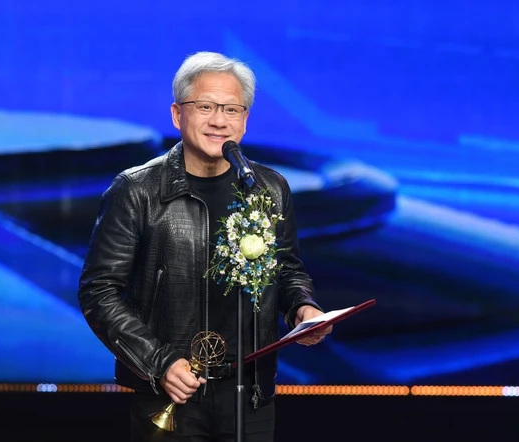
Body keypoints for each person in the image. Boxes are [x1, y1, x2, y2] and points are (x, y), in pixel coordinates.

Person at [77, 51, 331, 442]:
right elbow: (99, 291)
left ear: (245, 119)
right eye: (205, 107)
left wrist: (302, 307)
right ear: (177, 114)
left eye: (231, 109)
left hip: (250, 392)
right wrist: (159, 362)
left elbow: (285, 267)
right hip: (170, 389)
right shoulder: (137, 190)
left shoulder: (268, 188)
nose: (219, 121)